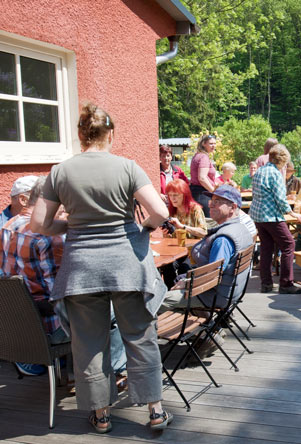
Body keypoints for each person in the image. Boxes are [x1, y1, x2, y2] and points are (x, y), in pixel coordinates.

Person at [30, 103, 172, 433]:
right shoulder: (127, 167)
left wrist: (67, 228)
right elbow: (160, 212)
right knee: (140, 337)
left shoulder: (60, 172)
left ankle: (102, 416)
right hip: (127, 266)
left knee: (89, 344)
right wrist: (145, 228)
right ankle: (155, 411)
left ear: (81, 135)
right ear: (111, 134)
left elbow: (39, 223)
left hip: (82, 269)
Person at [1, 176, 68, 374]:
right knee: (110, 310)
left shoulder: (6, 226)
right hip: (49, 328)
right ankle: (109, 376)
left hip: (18, 326)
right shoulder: (49, 237)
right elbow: (59, 294)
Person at [161, 186, 254, 312]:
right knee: (178, 277)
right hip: (232, 291)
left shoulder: (223, 240)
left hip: (214, 296)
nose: (210, 205)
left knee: (157, 302)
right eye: (211, 201)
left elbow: (212, 276)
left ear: (233, 207)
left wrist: (187, 283)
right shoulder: (241, 229)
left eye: (217, 202)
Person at [250, 144, 301, 294]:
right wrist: (292, 213)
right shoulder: (275, 173)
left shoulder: (260, 171)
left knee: (266, 248)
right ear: (281, 161)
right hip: (271, 216)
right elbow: (280, 198)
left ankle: (266, 284)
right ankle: (286, 284)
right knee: (288, 245)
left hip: (258, 217)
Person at [189, 134, 220, 217]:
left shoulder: (197, 155)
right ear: (203, 144)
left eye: (214, 143)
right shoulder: (203, 157)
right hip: (202, 194)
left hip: (196, 192)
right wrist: (214, 192)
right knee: (208, 222)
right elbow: (202, 178)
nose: (213, 146)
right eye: (211, 144)